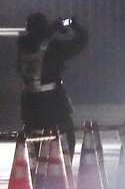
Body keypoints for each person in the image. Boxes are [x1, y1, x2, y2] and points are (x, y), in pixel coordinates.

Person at [17, 12, 87, 155]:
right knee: (66, 139)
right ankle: (63, 171)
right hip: (53, 102)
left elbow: (35, 42)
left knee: (34, 141)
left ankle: (36, 172)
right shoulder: (53, 47)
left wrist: (53, 29)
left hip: (30, 103)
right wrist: (75, 26)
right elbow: (80, 43)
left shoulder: (23, 46)